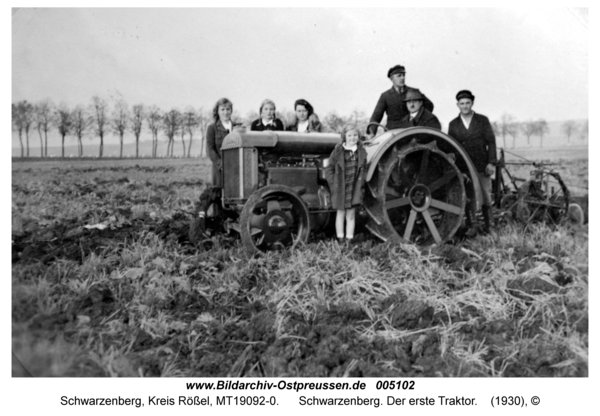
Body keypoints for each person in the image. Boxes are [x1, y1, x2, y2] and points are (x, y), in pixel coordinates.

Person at [447, 89, 497, 234]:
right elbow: (452, 146)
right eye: (462, 103)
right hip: (464, 166)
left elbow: (491, 142)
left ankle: (490, 226)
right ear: (458, 105)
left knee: (486, 195)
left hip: (481, 165)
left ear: (472, 103)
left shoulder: (482, 120)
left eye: (468, 103)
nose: (465, 106)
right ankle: (472, 225)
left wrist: (491, 162)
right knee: (468, 197)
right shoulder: (453, 124)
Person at [325, 123, 367, 244]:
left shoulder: (361, 152)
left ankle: (349, 238)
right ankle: (340, 238)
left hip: (354, 187)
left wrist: (362, 182)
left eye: (355, 135)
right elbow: (329, 169)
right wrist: (334, 184)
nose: (353, 138)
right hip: (341, 187)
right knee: (340, 213)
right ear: (344, 137)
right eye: (350, 135)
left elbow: (364, 169)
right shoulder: (338, 152)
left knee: (351, 214)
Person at [368, 64, 434, 136]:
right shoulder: (385, 96)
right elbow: (376, 117)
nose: (402, 78)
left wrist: (419, 119)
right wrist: (371, 133)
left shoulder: (414, 92)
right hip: (392, 133)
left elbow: (429, 105)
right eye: (399, 76)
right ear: (392, 78)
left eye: (403, 75)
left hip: (411, 131)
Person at [206, 97, 241, 187]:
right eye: (222, 109)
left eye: (228, 109)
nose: (225, 112)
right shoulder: (212, 128)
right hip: (219, 170)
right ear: (217, 111)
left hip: (236, 169)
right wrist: (221, 164)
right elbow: (210, 149)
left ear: (231, 111)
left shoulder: (238, 128)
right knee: (219, 195)